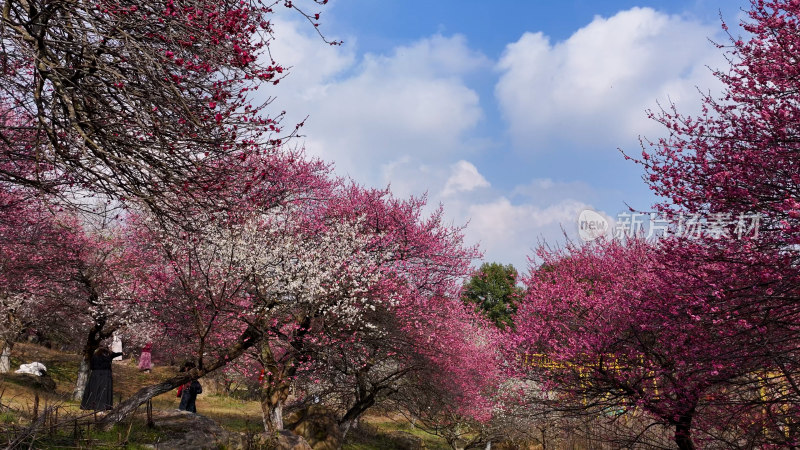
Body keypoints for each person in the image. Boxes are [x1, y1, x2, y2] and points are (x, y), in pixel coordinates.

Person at [80, 346, 123, 411]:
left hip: (95, 374)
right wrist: (121, 353)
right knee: (104, 390)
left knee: (93, 390)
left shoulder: (94, 356)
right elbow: (114, 355)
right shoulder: (108, 356)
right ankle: (103, 406)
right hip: (106, 374)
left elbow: (92, 366)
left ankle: (90, 405)